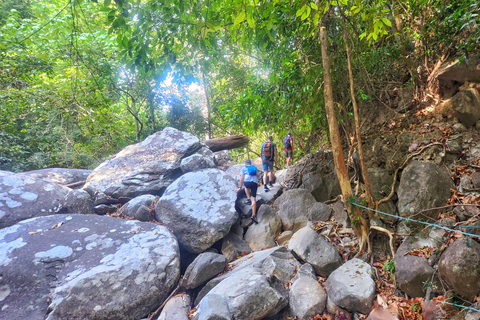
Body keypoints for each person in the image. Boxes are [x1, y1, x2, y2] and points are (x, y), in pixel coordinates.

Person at [236, 159, 259, 224]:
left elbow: (242, 178)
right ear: (250, 163)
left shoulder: (244, 168)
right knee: (254, 199)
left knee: (246, 187)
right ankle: (253, 215)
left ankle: (248, 199)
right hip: (254, 183)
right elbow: (257, 176)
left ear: (245, 164)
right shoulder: (254, 167)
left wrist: (240, 187)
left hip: (247, 182)